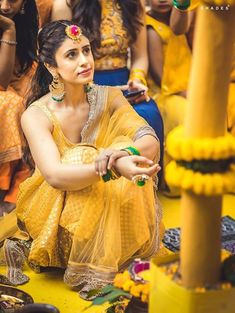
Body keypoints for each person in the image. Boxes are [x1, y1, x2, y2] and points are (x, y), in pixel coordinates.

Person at [1, 20, 162, 299]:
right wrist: (113, 168)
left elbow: (148, 140)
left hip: (108, 214)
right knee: (84, 155)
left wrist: (125, 155)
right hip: (55, 216)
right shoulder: (36, 115)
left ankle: (109, 254)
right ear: (51, 67)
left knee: (124, 145)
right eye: (72, 55)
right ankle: (84, 260)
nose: (85, 60)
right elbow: (55, 175)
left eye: (86, 51)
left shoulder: (109, 97)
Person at [52, 0, 164, 176]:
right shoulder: (66, 5)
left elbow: (140, 56)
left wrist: (137, 80)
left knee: (148, 112)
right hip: (83, 83)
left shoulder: (134, 3)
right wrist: (94, 89)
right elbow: (62, 58)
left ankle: (145, 182)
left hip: (125, 84)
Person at [146, 0, 195, 194]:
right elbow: (158, 74)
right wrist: (182, 92)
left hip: (187, 87)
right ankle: (172, 182)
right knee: (187, 116)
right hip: (165, 92)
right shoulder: (151, 28)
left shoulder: (181, 19)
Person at [0, 0, 38, 215]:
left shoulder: (27, 24)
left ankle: (20, 186)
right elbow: (1, 85)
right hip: (4, 93)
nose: (5, 6)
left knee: (37, 103)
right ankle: (6, 187)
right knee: (11, 104)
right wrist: (8, 29)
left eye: (13, 0)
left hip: (16, 87)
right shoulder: (10, 25)